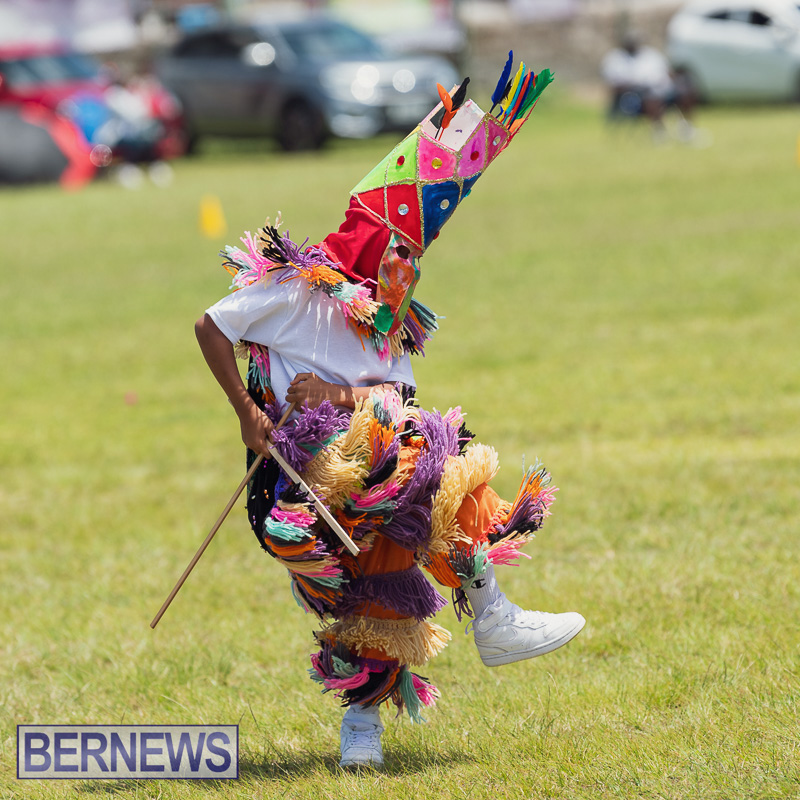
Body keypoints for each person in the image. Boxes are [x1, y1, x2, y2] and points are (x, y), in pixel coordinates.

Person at [195, 59, 585, 770]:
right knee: (423, 453)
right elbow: (210, 326)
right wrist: (251, 411)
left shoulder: (390, 324)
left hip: (373, 469)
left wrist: (342, 397)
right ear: (374, 246)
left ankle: (364, 731)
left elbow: (394, 403)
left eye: (415, 253)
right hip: (300, 481)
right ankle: (491, 608)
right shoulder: (295, 292)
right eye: (400, 251)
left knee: (396, 538)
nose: (408, 264)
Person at [601, 31, 696, 140]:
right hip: (634, 97)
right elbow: (614, 85)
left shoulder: (650, 55)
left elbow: (667, 72)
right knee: (652, 96)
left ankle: (686, 129)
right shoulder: (615, 59)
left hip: (662, 90)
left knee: (685, 92)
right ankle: (659, 131)